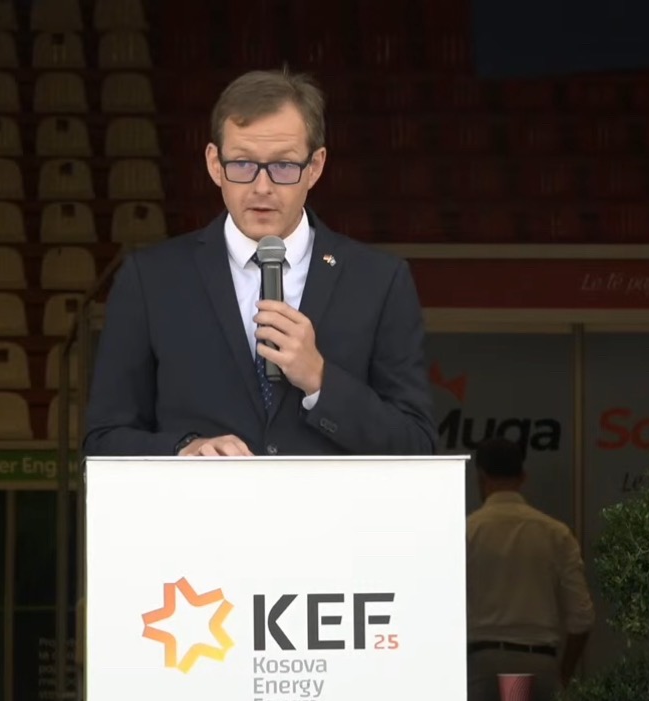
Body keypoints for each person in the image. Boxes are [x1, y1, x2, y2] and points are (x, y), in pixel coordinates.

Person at [81, 68, 436, 458]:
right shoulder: (150, 279)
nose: (261, 187)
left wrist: (320, 380)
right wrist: (183, 450)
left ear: (315, 167)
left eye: (283, 166)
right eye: (242, 164)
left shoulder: (379, 281)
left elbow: (417, 444)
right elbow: (103, 439)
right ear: (214, 164)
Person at [465, 437, 594, 701]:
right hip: (540, 661)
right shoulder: (556, 533)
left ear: (480, 477)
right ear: (523, 477)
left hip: (483, 663)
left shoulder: (466, 531)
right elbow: (582, 618)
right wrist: (563, 676)